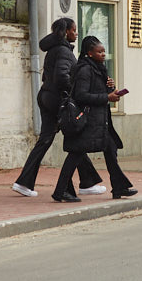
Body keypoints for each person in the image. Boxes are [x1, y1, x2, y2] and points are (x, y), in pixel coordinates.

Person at [12, 18, 105, 198]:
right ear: (66, 32)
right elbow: (62, 77)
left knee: (46, 140)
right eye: (74, 30)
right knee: (77, 137)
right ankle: (87, 183)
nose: (76, 33)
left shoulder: (55, 49)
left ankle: (24, 183)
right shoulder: (63, 51)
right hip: (57, 100)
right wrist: (75, 90)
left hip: (46, 96)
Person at [52, 36, 136, 202]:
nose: (103, 54)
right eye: (99, 52)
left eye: (104, 51)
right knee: (75, 155)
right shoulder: (85, 70)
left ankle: (119, 187)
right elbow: (81, 95)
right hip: (87, 122)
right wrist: (107, 97)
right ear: (89, 53)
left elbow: (97, 90)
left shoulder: (98, 68)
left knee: (111, 150)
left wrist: (110, 88)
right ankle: (60, 191)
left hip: (100, 123)